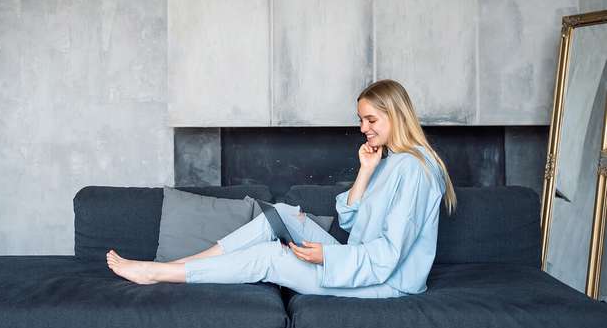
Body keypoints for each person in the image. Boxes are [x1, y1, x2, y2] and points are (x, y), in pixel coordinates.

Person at [106, 79, 457, 298]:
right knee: (283, 215)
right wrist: (365, 172)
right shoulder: (389, 161)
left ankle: (157, 272)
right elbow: (350, 222)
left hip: (387, 282)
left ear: (396, 116)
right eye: (361, 119)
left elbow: (390, 255)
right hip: (358, 264)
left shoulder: (415, 169)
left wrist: (327, 257)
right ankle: (182, 265)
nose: (363, 128)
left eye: (371, 119)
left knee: (271, 257)